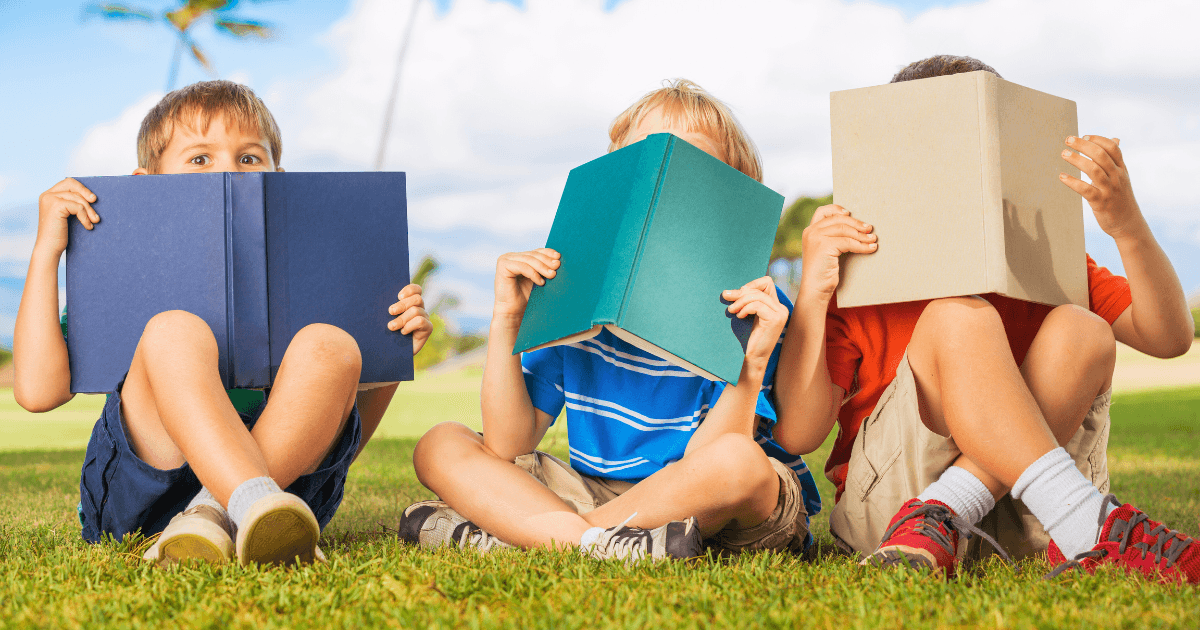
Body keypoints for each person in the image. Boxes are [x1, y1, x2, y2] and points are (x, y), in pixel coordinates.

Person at [773, 55, 1198, 582]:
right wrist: (813, 293)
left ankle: (959, 508)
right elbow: (797, 432)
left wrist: (1127, 227)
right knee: (958, 320)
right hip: (887, 511)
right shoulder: (862, 278)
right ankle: (1089, 524)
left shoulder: (1043, 259)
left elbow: (1170, 336)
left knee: (1083, 329)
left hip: (1021, 518)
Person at [13, 80, 433, 567]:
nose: (228, 173)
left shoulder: (317, 275)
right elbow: (39, 393)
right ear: (145, 181)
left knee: (331, 344)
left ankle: (217, 511)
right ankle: (242, 501)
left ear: (279, 176)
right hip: (145, 497)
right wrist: (47, 252)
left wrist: (389, 356)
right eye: (199, 159)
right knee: (173, 330)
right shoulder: (124, 277)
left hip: (283, 503)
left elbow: (338, 441)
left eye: (249, 158)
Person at [399, 79, 821, 562]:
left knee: (739, 462)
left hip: (718, 505)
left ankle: (535, 534)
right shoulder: (579, 294)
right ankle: (598, 544)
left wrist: (751, 364)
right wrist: (507, 318)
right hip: (596, 492)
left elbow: (714, 461)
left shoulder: (753, 303)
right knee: (440, 443)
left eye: (691, 163)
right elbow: (507, 443)